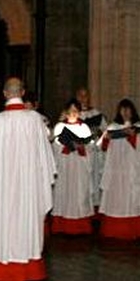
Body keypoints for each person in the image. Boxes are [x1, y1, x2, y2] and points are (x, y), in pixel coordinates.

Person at [0, 77, 56, 281]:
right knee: (25, 221)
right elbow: (46, 159)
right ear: (23, 92)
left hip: (0, 187)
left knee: (1, 221)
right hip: (28, 187)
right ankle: (28, 269)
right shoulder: (36, 120)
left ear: (5, 94)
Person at [98, 99, 140, 240]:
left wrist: (133, 137)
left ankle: (133, 230)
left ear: (133, 111)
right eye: (123, 109)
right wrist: (106, 139)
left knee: (132, 199)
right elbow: (102, 149)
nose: (125, 112)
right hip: (116, 171)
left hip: (132, 171)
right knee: (116, 199)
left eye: (128, 109)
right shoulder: (113, 127)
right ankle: (113, 230)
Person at [51, 99, 95, 235]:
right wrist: (66, 146)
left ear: (79, 112)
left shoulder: (84, 128)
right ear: (66, 112)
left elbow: (91, 146)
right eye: (70, 111)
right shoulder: (59, 127)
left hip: (80, 166)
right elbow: (55, 146)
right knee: (64, 191)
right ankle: (61, 225)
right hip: (65, 165)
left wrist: (82, 146)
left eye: (75, 111)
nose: (72, 114)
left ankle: (80, 225)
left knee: (79, 192)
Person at [75, 87, 107, 213]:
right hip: (77, 155)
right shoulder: (71, 113)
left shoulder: (97, 115)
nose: (83, 98)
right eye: (80, 95)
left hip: (93, 153)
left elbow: (105, 133)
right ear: (76, 97)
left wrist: (98, 133)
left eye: (85, 95)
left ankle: (93, 210)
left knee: (93, 181)